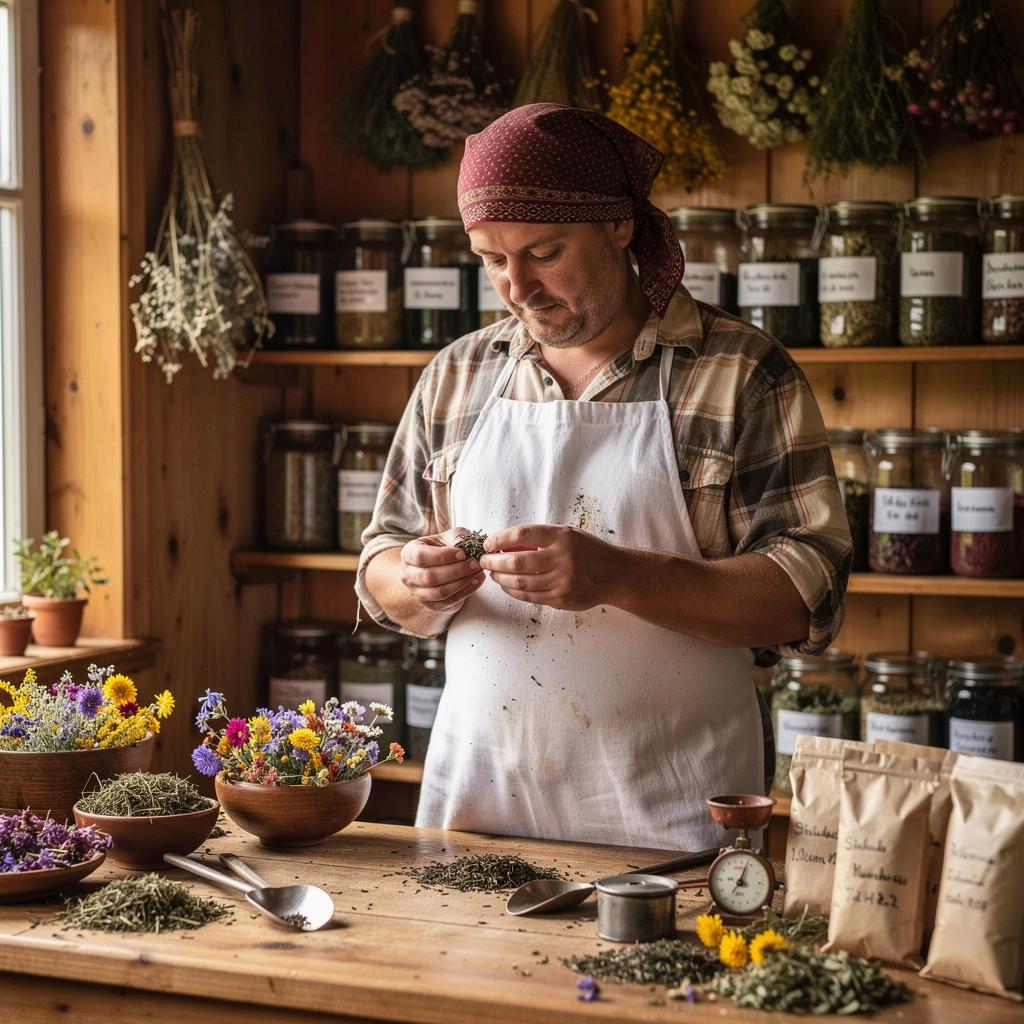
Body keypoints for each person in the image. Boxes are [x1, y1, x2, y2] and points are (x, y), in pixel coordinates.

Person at [356, 103, 851, 852]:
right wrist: (414, 577)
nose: (517, 286)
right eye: (492, 260)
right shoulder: (458, 374)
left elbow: (806, 593)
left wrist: (617, 576)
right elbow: (379, 563)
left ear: (620, 226)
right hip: (475, 818)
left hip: (672, 826)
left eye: (543, 252)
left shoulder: (737, 373)